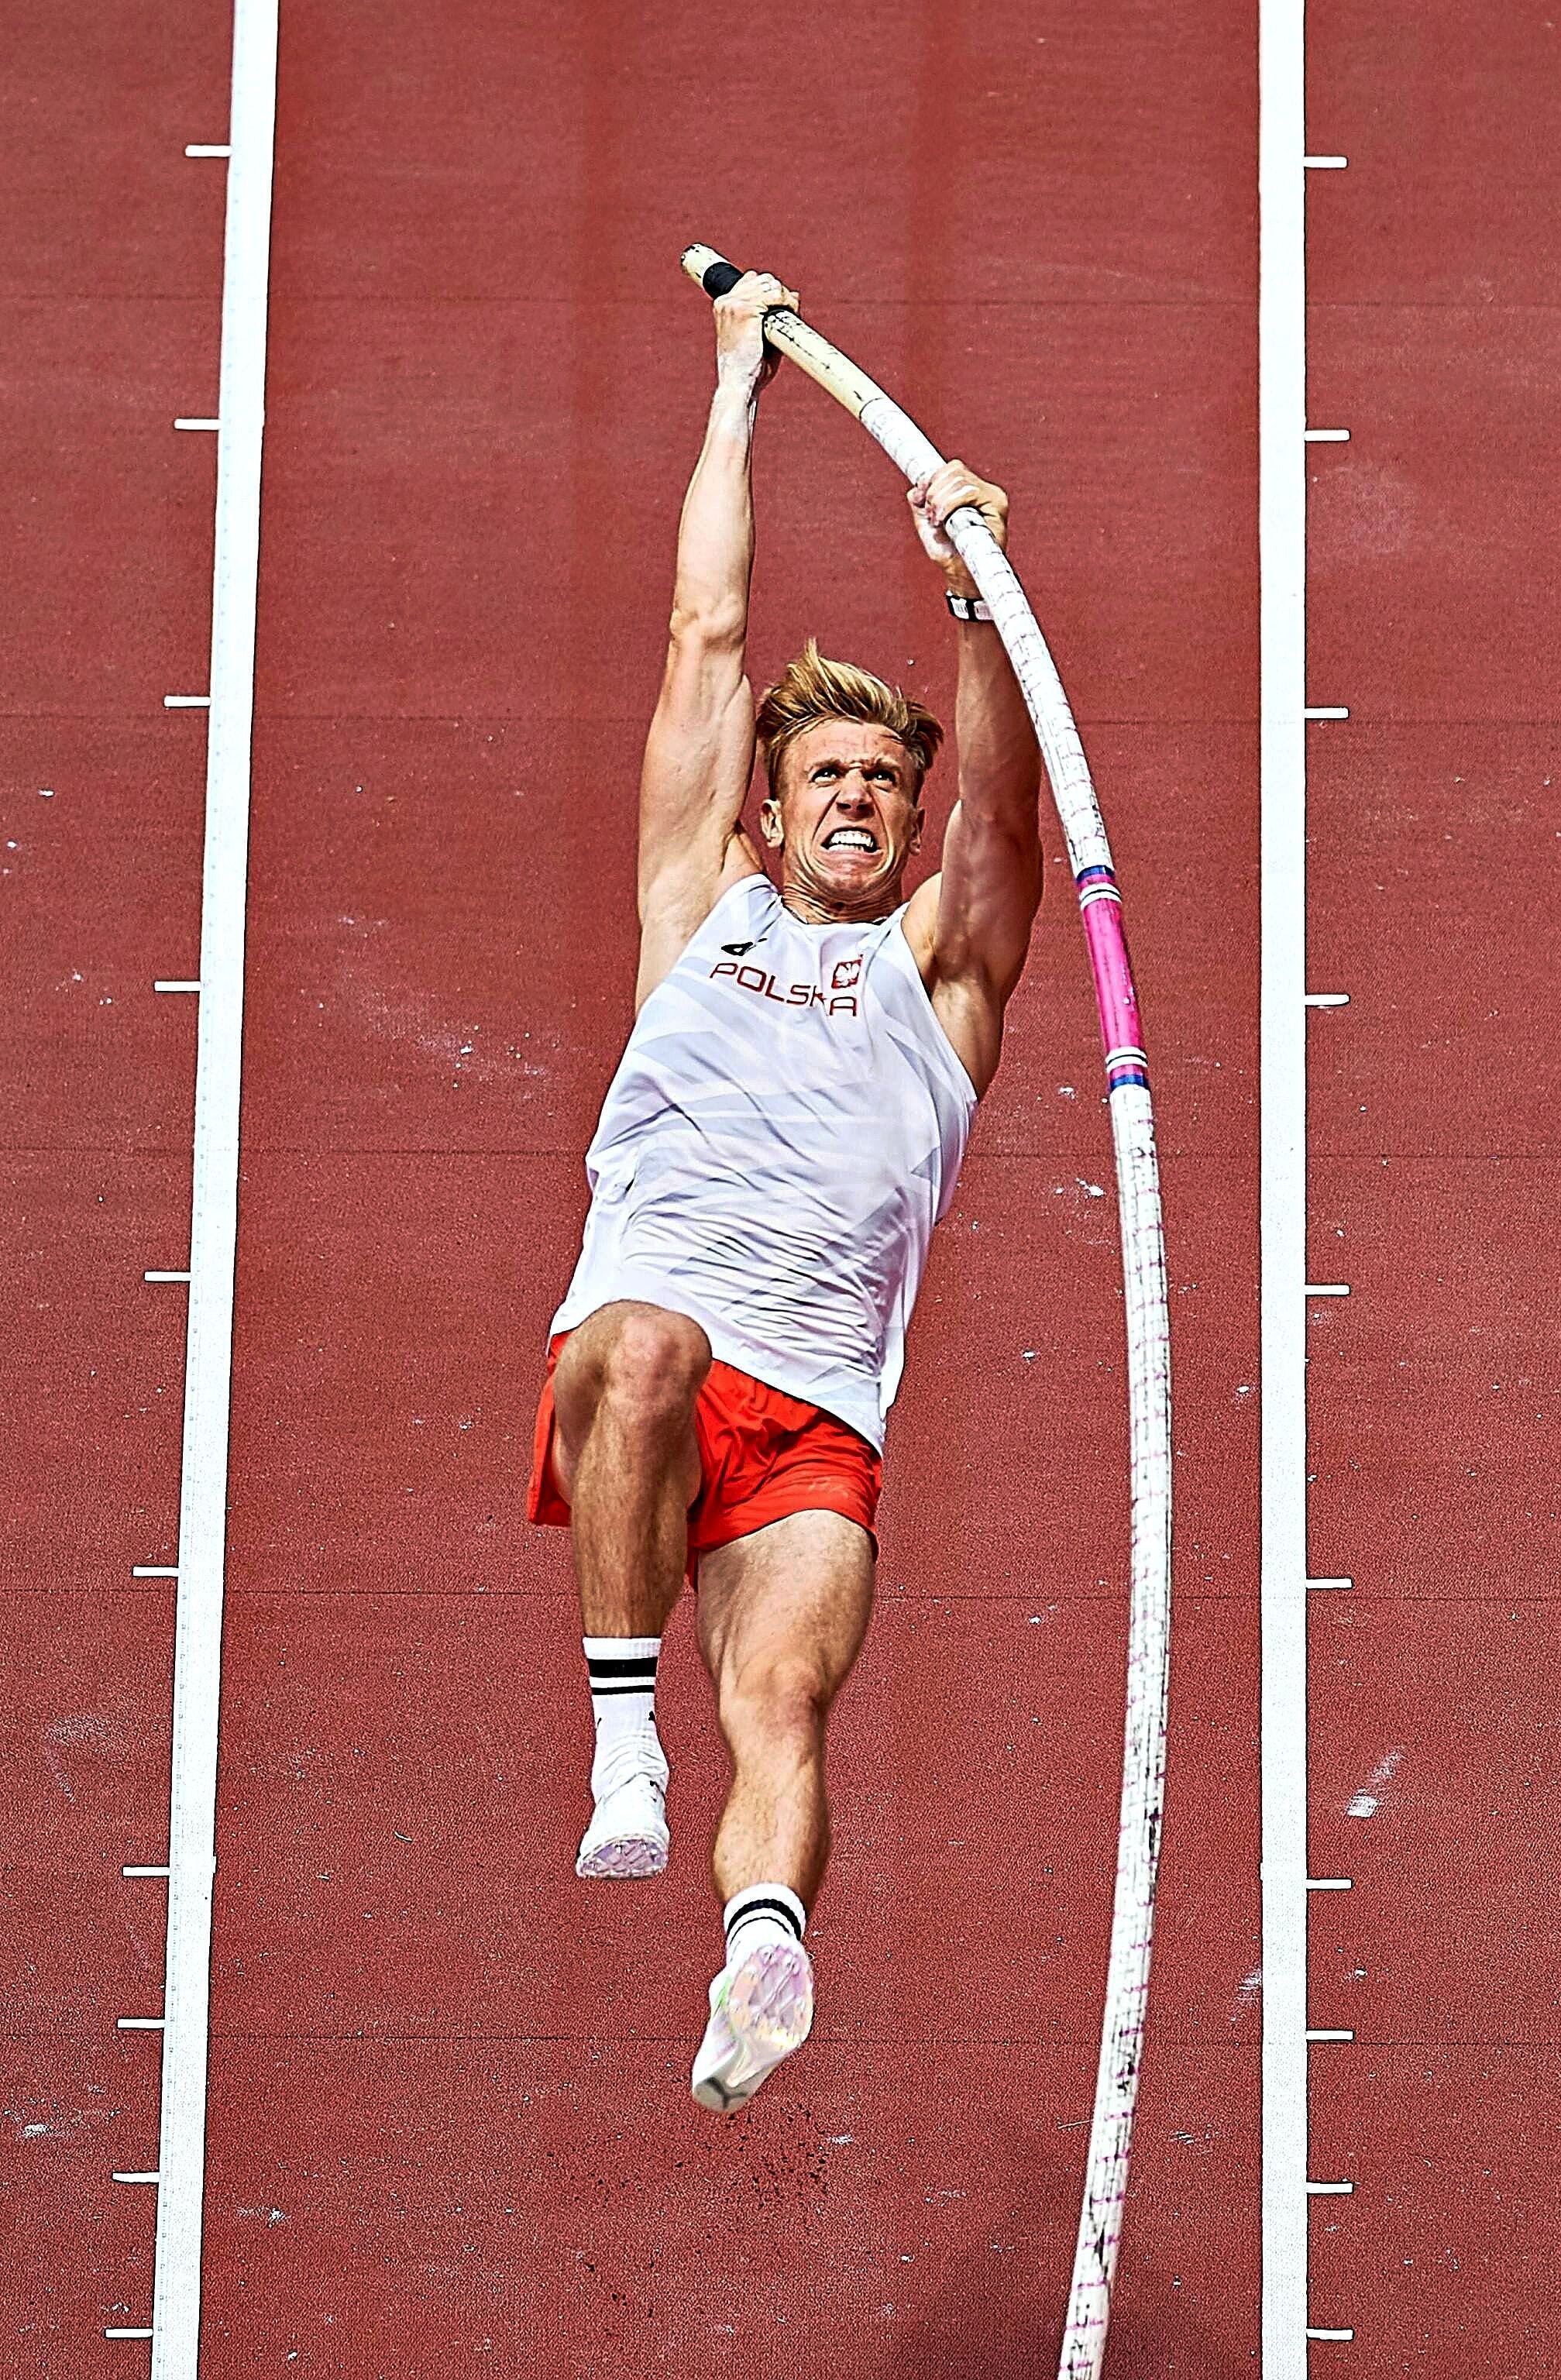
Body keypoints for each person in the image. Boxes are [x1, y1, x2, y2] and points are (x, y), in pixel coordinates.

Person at [527, 270, 1045, 2112]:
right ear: (765, 810)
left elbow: (1006, 821)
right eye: (820, 773)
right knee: (650, 1337)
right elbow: (701, 630)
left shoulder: (946, 978)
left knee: (788, 1701)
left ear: (902, 819)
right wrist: (737, 388)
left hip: (818, 1412)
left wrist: (971, 601)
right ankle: (617, 1753)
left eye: (879, 783)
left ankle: (761, 1952)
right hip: (652, 1355)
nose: (853, 797)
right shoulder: (699, 908)